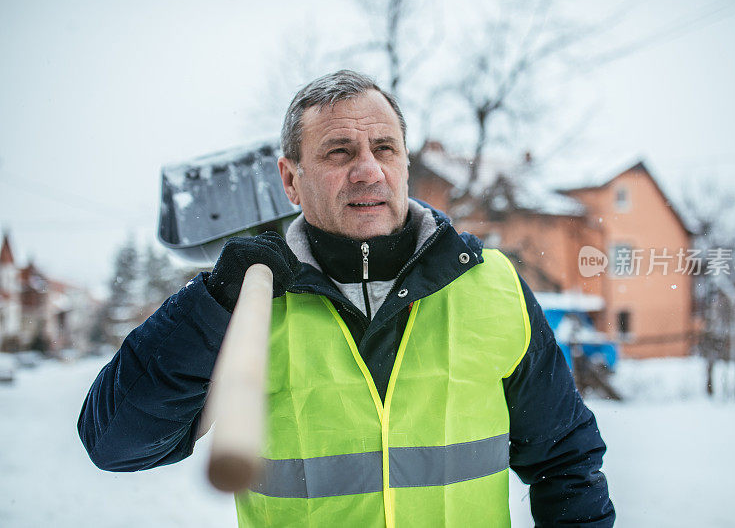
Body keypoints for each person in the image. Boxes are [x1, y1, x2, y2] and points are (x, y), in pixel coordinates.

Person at [78, 70, 615, 527]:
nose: (368, 169)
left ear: (404, 164)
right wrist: (211, 302)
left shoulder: (491, 286)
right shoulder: (246, 301)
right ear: (290, 179)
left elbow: (565, 462)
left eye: (385, 148)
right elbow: (117, 443)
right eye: (339, 151)